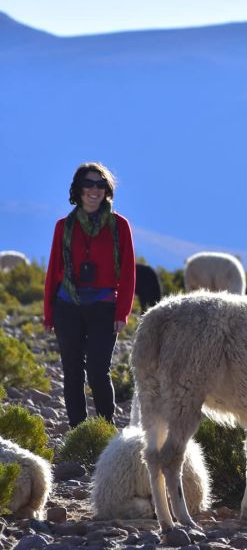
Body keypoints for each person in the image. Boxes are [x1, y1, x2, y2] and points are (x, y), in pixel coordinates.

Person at [43, 163, 136, 428]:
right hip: (67, 305)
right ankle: (78, 432)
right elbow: (53, 270)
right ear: (78, 189)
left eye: (100, 185)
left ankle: (105, 430)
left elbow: (128, 271)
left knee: (97, 371)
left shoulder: (119, 226)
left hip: (103, 306)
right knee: (72, 372)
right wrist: (49, 313)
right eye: (88, 184)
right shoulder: (64, 226)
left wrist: (122, 312)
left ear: (107, 190)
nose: (94, 190)